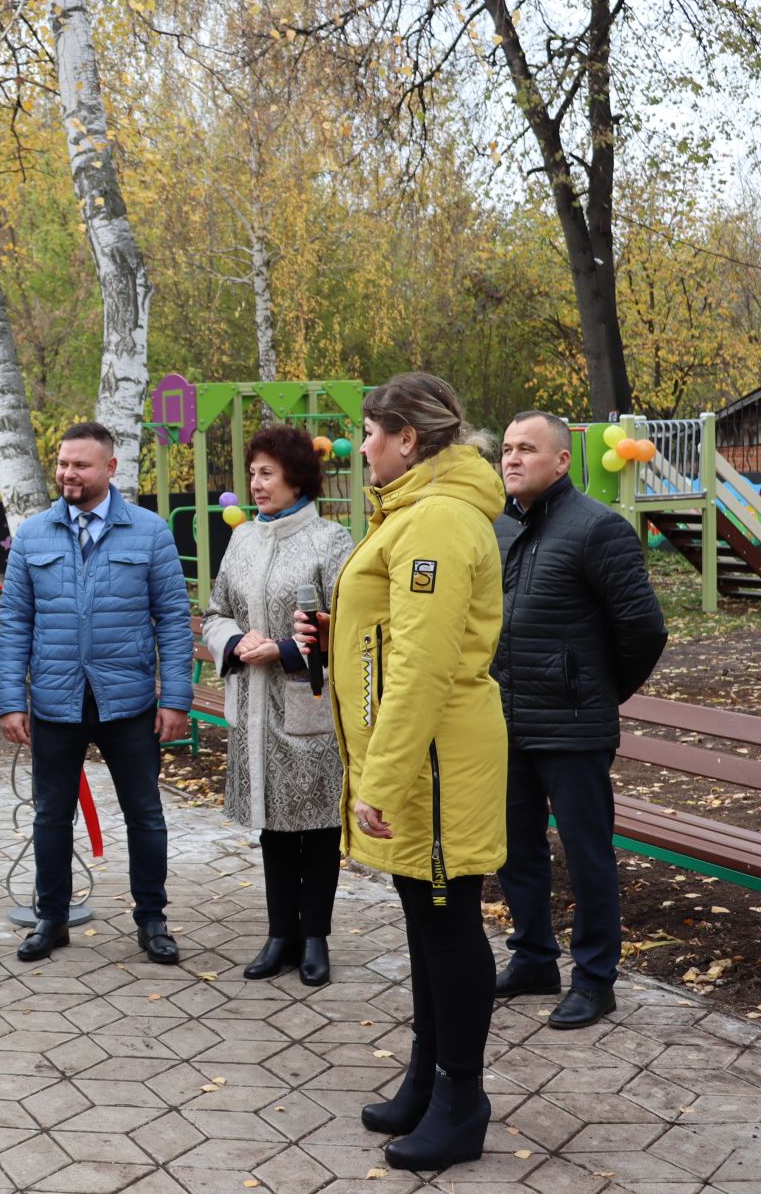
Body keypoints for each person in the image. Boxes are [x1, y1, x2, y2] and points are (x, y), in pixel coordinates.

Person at [293, 373, 506, 1172]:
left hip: (436, 760)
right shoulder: (413, 515)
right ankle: (427, 1077)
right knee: (426, 919)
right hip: (420, 754)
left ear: (409, 439)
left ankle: (462, 1100)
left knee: (448, 924)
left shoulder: (439, 522)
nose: (364, 447)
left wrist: (380, 778)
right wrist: (334, 626)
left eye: (373, 432)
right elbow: (392, 634)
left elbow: (423, 664)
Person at [492, 412, 667, 1030]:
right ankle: (534, 957)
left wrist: (596, 691)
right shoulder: (499, 529)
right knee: (515, 849)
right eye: (507, 449)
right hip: (505, 722)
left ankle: (595, 979)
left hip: (573, 726)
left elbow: (644, 629)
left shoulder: (598, 529)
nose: (511, 459)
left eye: (527, 449)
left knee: (587, 855)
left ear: (562, 461)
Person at [0, 422, 192, 966]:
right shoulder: (33, 535)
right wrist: (12, 700)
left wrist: (175, 699)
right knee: (51, 817)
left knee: (145, 815)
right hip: (56, 703)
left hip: (128, 702)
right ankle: (51, 919)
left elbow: (173, 620)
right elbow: (14, 622)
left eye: (80, 465)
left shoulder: (149, 533)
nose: (68, 474)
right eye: (62, 463)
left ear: (110, 469)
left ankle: (151, 920)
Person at [200, 427, 353, 985]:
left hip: (306, 705)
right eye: (253, 474)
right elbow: (215, 611)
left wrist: (285, 648)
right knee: (272, 827)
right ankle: (278, 934)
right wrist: (234, 642)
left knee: (315, 825)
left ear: (297, 477)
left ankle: (315, 936)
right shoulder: (242, 541)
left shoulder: (331, 541)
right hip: (253, 709)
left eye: (267, 473)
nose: (256, 485)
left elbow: (350, 629)